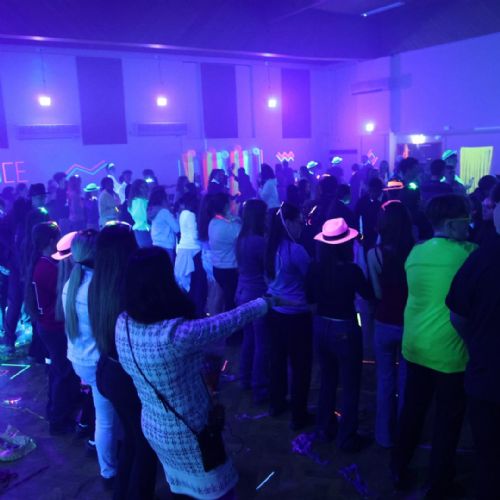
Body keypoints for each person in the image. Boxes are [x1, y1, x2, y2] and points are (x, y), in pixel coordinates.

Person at [116, 246, 279, 499]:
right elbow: (226, 322)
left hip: (153, 427)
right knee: (218, 492)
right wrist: (264, 303)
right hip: (190, 434)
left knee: (182, 492)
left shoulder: (123, 322)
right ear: (163, 281)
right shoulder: (174, 334)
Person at [391, 194, 477, 498]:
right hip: (450, 354)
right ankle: (439, 483)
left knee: (412, 413)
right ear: (452, 224)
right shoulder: (469, 254)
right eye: (467, 220)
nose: (470, 225)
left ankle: (398, 468)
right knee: (446, 422)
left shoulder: (416, 252)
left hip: (415, 346)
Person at [87, 223, 158, 499]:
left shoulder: (98, 283)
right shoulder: (129, 286)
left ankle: (121, 493)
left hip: (108, 369)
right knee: (145, 443)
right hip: (128, 375)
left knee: (132, 437)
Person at [446, 183, 500, 500]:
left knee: (488, 458)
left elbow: (457, 314)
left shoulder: (480, 258)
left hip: (486, 374)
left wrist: (475, 342)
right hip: (486, 374)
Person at [308, 218, 373, 451]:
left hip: (320, 326)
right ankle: (346, 438)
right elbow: (368, 294)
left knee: (327, 379)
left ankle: (324, 429)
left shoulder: (315, 268)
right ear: (346, 245)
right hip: (344, 328)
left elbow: (309, 298)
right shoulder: (351, 270)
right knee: (350, 383)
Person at [62, 228, 119, 486]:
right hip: (97, 363)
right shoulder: (96, 287)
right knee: (105, 420)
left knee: (105, 415)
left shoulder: (71, 284)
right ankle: (109, 472)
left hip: (79, 358)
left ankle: (112, 461)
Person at [367, 200, 414, 448]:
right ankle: (404, 435)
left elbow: (377, 293)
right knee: (406, 382)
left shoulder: (373, 254)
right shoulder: (416, 252)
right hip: (409, 323)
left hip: (384, 321)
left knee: (385, 380)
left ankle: (384, 436)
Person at [28, 222, 81, 434]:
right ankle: (58, 421)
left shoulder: (43, 262)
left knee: (57, 371)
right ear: (52, 240)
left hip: (48, 326)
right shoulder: (47, 267)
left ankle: (56, 413)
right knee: (62, 373)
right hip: (53, 327)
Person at [266, 202, 313, 430]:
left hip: (275, 313)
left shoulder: (269, 247)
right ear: (289, 223)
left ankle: (276, 404)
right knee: (301, 366)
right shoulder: (296, 251)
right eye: (300, 222)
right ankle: (298, 415)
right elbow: (310, 279)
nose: (302, 227)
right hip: (297, 315)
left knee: (277, 361)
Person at [236, 199, 269, 403]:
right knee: (262, 342)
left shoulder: (241, 238)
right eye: (264, 215)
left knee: (249, 339)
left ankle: (245, 378)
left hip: (242, 292)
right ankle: (259, 387)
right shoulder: (259, 241)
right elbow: (269, 268)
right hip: (256, 294)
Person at [208, 193, 241, 317]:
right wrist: (237, 216)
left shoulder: (212, 222)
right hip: (230, 269)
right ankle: (231, 325)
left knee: (221, 297)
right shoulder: (231, 227)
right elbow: (242, 233)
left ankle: (215, 320)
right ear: (226, 206)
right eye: (230, 202)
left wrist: (232, 218)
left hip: (217, 267)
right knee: (231, 301)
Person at [175, 192, 207, 317]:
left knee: (188, 283)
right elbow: (194, 236)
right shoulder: (192, 215)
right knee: (197, 283)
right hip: (193, 252)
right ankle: (197, 311)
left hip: (183, 249)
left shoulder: (183, 213)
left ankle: (188, 311)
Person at [148, 186, 179, 263]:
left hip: (155, 244)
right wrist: (177, 217)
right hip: (166, 246)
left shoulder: (153, 210)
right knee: (168, 268)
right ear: (163, 199)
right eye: (167, 197)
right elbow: (177, 228)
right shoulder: (164, 212)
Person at [128, 179, 152, 247]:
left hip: (138, 230)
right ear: (138, 189)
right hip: (145, 230)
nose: (147, 189)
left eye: (147, 187)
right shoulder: (142, 202)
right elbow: (146, 217)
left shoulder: (133, 201)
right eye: (144, 187)